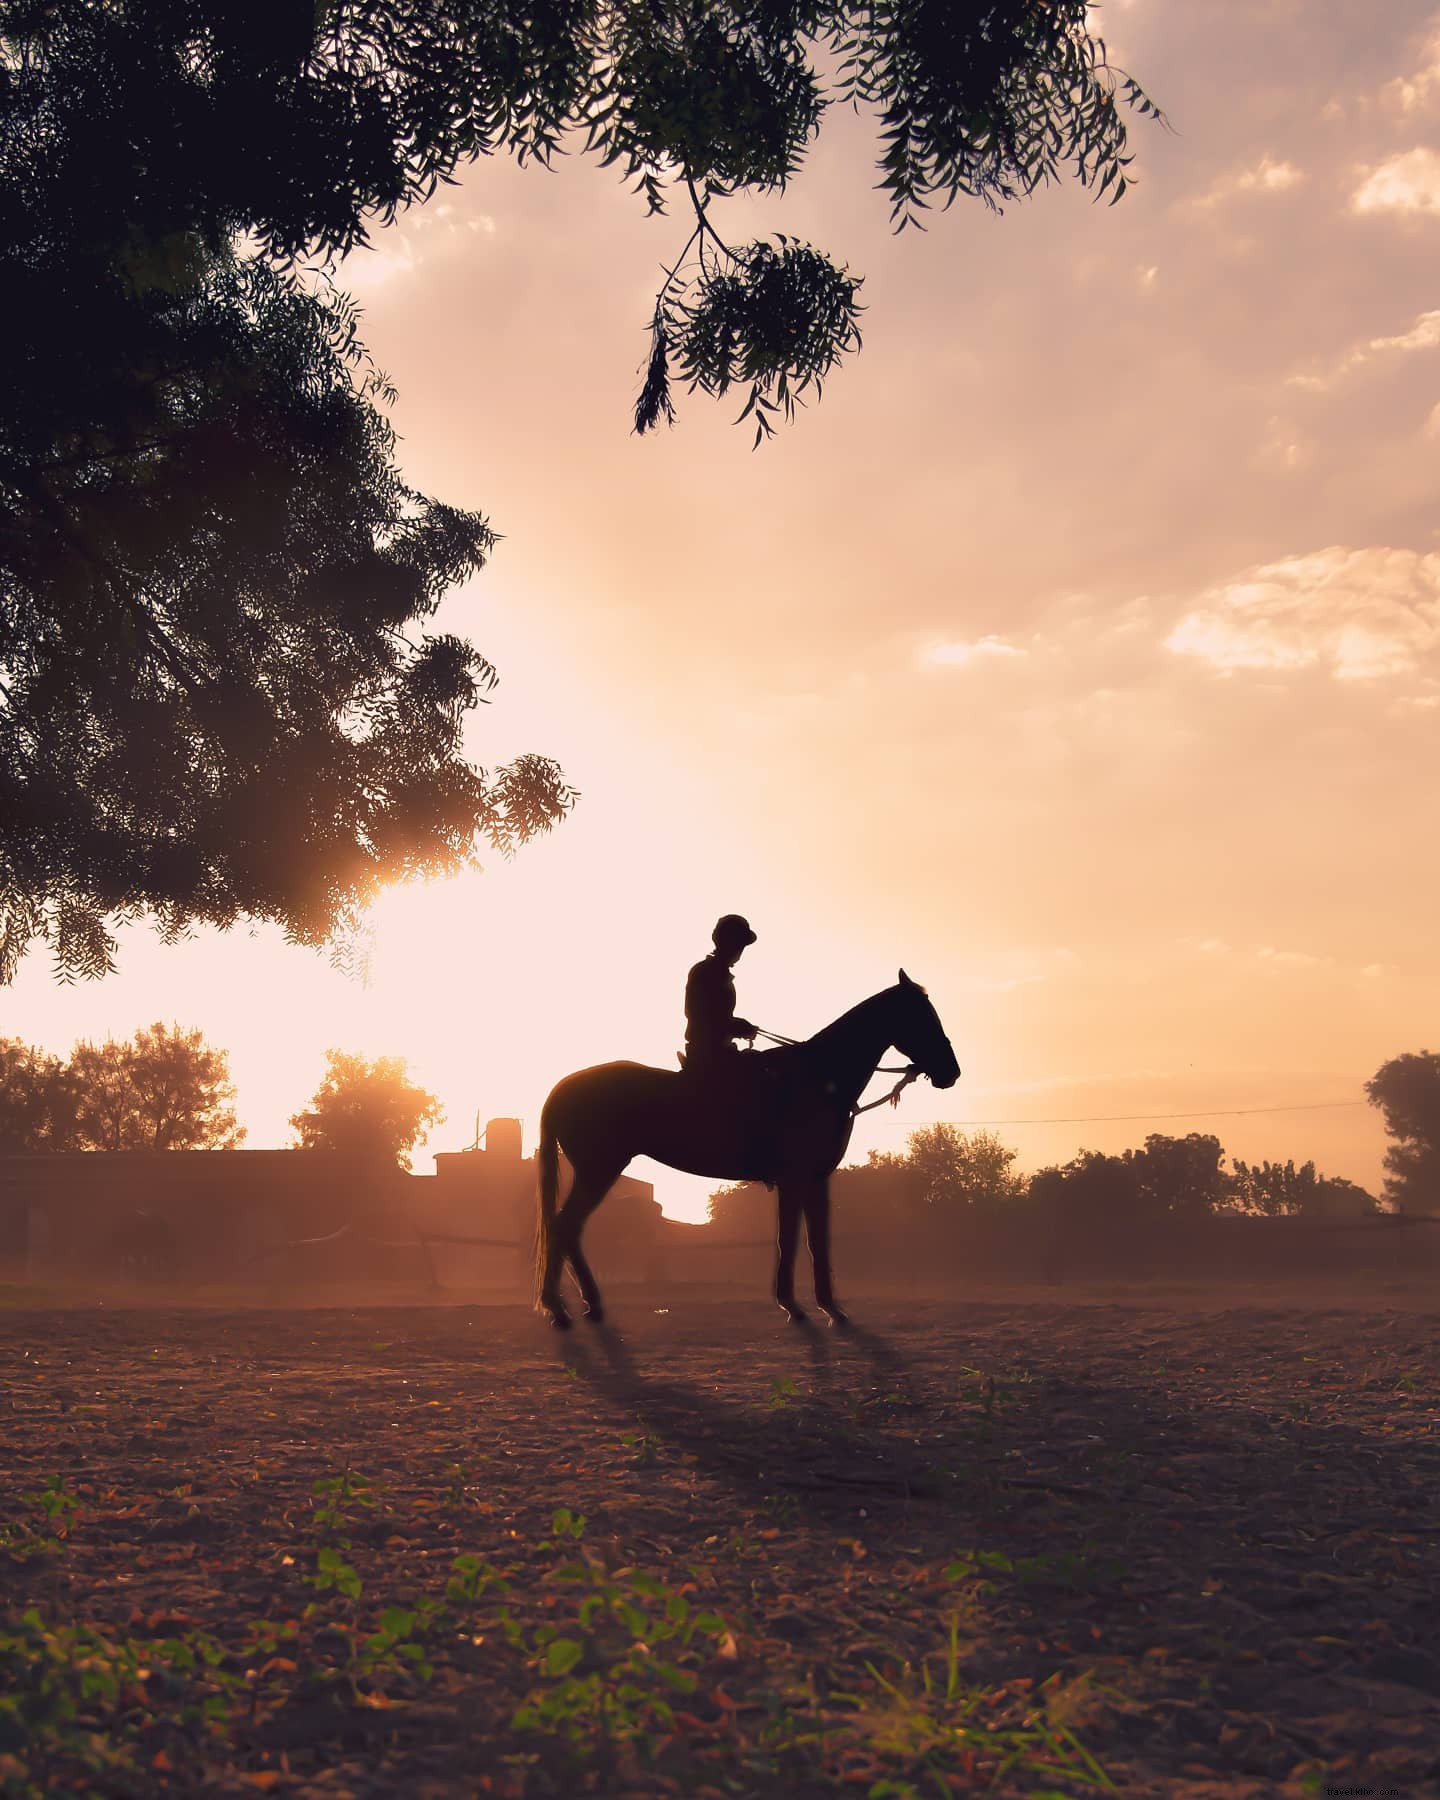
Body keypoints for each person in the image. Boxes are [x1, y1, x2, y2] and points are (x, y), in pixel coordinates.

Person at [683, 915, 759, 1076]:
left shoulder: (716, 973)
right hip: (708, 1057)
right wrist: (738, 1027)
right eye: (738, 945)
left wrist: (738, 1026)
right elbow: (701, 1016)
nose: (740, 950)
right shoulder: (706, 972)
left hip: (719, 1053)